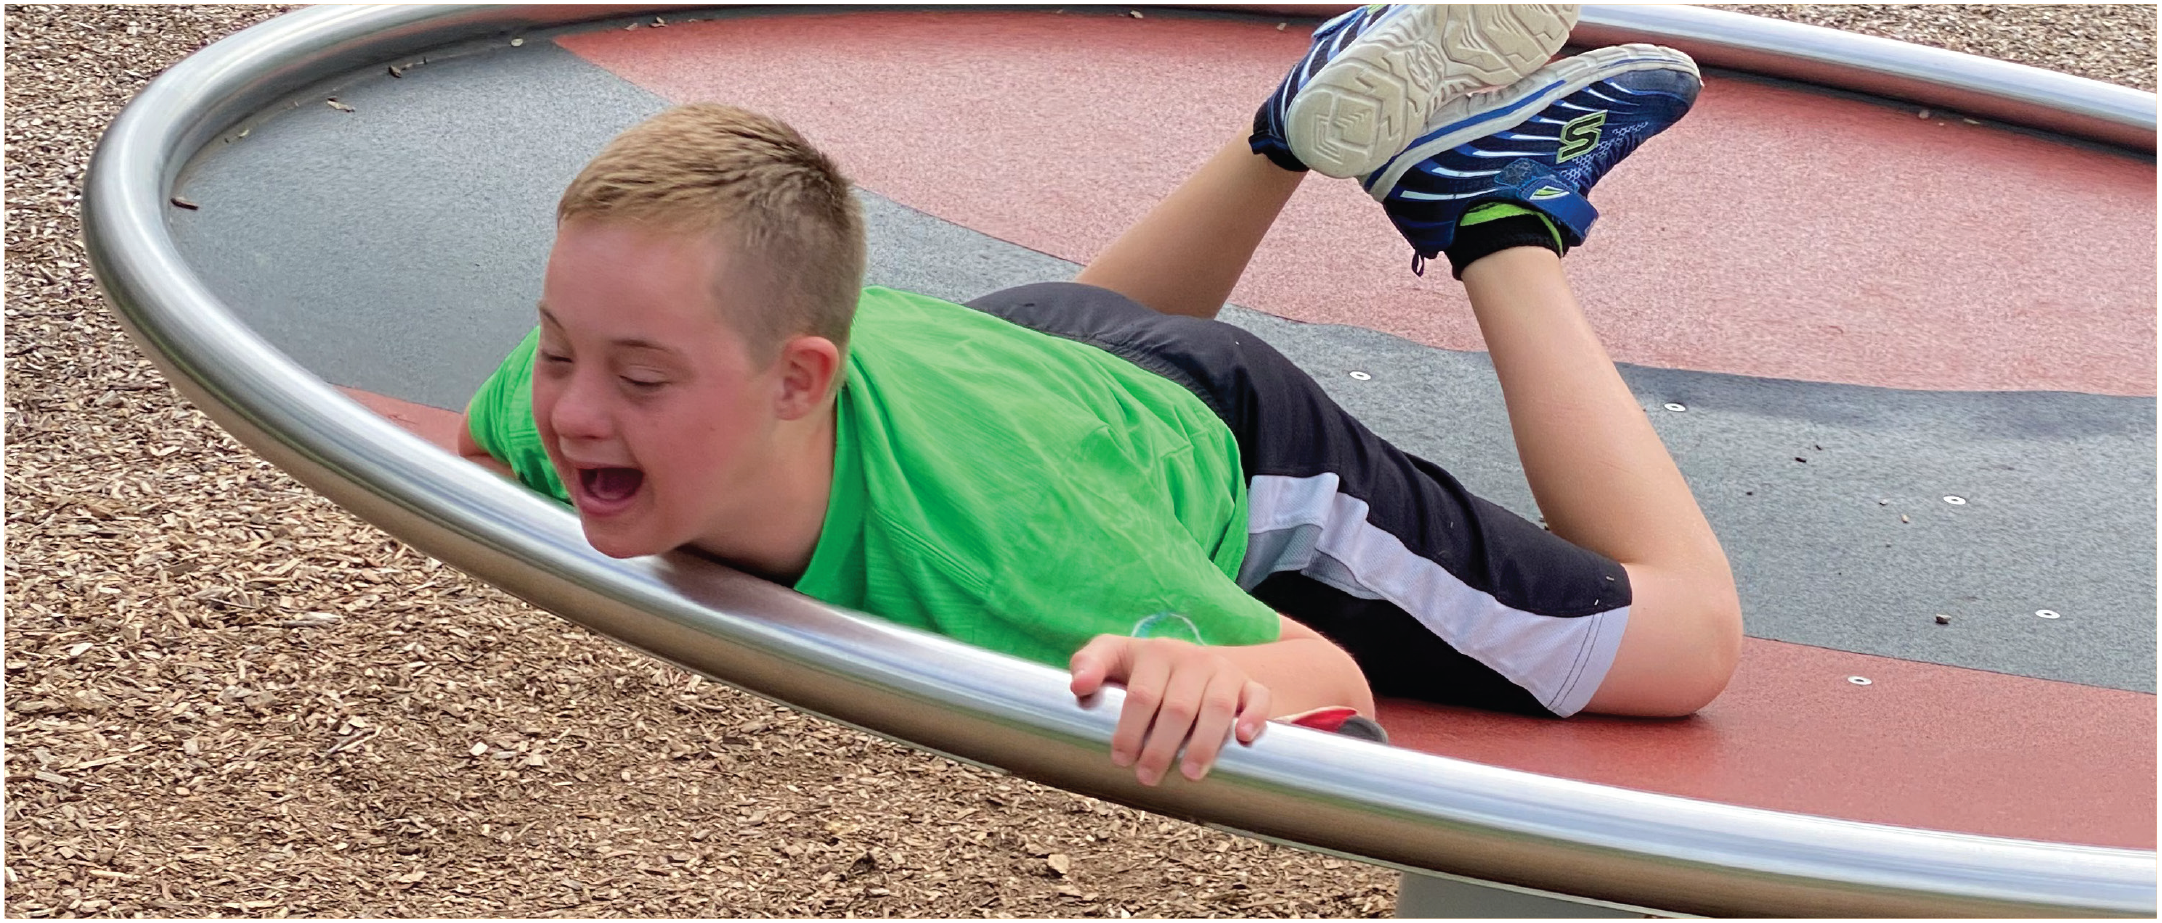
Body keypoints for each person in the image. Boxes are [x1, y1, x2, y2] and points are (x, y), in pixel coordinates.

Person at [458, 5, 1741, 788]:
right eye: (558, 349)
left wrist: (1219, 674)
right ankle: (1291, 128)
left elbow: (1318, 668)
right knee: (1070, 377)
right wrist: (588, 396)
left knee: (1686, 642)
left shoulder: (1032, 570)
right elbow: (482, 433)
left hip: (1222, 437)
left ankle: (1492, 210)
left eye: (637, 379)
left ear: (801, 378)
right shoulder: (567, 389)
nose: (571, 412)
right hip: (1019, 367)